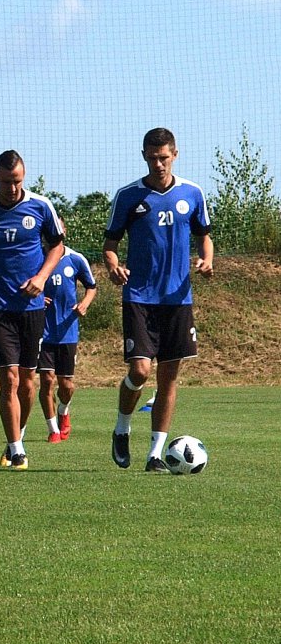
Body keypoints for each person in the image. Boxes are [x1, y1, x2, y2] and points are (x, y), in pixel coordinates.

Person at [104, 127, 213, 472]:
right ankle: (122, 429)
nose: (158, 164)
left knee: (168, 377)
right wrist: (113, 266)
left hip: (178, 299)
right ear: (144, 156)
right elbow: (110, 245)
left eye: (164, 158)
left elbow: (204, 236)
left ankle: (155, 454)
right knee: (139, 370)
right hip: (140, 296)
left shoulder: (192, 193)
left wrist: (206, 259)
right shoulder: (128, 196)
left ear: (175, 155)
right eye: (152, 158)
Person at [0, 151, 65, 470]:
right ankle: (18, 449)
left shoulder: (40, 206)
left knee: (27, 380)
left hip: (32, 307)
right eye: (6, 182)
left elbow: (57, 246)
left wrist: (41, 277)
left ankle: (14, 438)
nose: (12, 188)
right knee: (8, 377)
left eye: (17, 181)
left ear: (25, 176)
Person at [38, 230, 97, 443]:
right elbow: (22, 284)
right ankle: (53, 429)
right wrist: (35, 297)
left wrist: (84, 304)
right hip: (42, 332)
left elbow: (91, 287)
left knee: (66, 385)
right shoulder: (35, 258)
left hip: (67, 331)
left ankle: (63, 411)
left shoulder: (75, 259)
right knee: (46, 380)